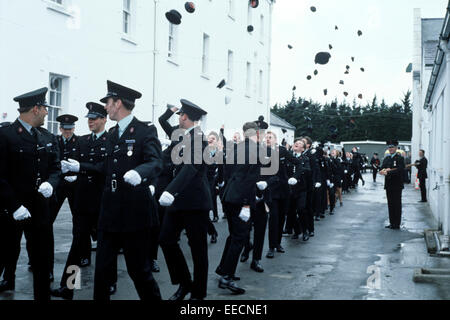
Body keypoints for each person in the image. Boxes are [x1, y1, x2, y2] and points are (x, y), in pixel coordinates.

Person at [63, 80, 163, 300]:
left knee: (139, 271)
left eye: (107, 103)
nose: (106, 108)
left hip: (133, 211)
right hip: (106, 209)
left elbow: (156, 161)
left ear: (118, 103)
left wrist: (141, 172)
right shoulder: (111, 134)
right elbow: (105, 167)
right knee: (101, 271)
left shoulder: (145, 131)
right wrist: (79, 168)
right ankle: (68, 286)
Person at [0, 87, 60, 300]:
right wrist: (14, 206)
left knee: (42, 261)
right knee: (6, 254)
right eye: (44, 108)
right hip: (12, 210)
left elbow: (55, 167)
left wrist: (51, 183)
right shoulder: (5, 135)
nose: (46, 113)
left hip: (39, 208)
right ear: (35, 109)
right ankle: (7, 284)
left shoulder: (44, 137)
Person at [51, 102, 109, 300]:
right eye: (89, 118)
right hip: (83, 199)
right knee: (77, 243)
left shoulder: (111, 140)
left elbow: (104, 167)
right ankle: (68, 286)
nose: (90, 121)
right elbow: (74, 162)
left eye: (94, 118)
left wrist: (80, 168)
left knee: (106, 244)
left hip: (102, 199)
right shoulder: (82, 141)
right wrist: (70, 172)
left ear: (104, 119)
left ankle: (110, 282)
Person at [158, 99, 212, 301]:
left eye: (180, 115)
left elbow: (190, 168)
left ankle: (198, 294)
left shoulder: (200, 139)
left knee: (198, 250)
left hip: (195, 202)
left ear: (185, 117)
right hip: (178, 200)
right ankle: (184, 282)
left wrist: (170, 190)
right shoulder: (179, 135)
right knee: (166, 240)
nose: (178, 118)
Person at [216, 121, 263, 294]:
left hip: (228, 195)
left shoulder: (235, 148)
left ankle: (223, 268)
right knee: (240, 237)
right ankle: (226, 277)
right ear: (256, 134)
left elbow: (227, 172)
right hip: (240, 199)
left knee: (234, 235)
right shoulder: (256, 150)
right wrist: (245, 204)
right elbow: (250, 179)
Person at [49, 114, 80, 280]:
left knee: (79, 223)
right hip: (60, 185)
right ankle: (47, 266)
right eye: (65, 129)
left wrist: (77, 175)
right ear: (60, 129)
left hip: (75, 185)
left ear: (74, 129)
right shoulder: (54, 140)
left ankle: (82, 257)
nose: (68, 132)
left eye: (70, 129)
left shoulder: (80, 141)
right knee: (48, 220)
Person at [286, 139, 311, 241]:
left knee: (301, 209)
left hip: (301, 188)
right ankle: (297, 231)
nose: (297, 143)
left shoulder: (305, 159)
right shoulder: (288, 157)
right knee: (290, 211)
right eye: (296, 142)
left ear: (303, 148)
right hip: (289, 188)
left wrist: (298, 172)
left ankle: (305, 231)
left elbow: (308, 170)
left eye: (300, 143)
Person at [379, 140, 405, 230]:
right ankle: (392, 222)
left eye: (392, 147)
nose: (390, 149)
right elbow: (382, 167)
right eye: (389, 147)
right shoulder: (387, 158)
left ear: (396, 148)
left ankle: (396, 224)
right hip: (389, 185)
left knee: (397, 204)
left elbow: (400, 170)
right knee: (390, 204)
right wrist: (382, 170)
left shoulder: (400, 158)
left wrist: (389, 172)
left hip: (397, 185)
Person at [301, 136, 321, 237]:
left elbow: (315, 169)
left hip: (308, 184)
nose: (301, 143)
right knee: (300, 208)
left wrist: (316, 181)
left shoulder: (311, 154)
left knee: (308, 207)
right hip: (299, 184)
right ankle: (299, 229)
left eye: (303, 142)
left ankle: (310, 229)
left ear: (308, 145)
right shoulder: (299, 153)